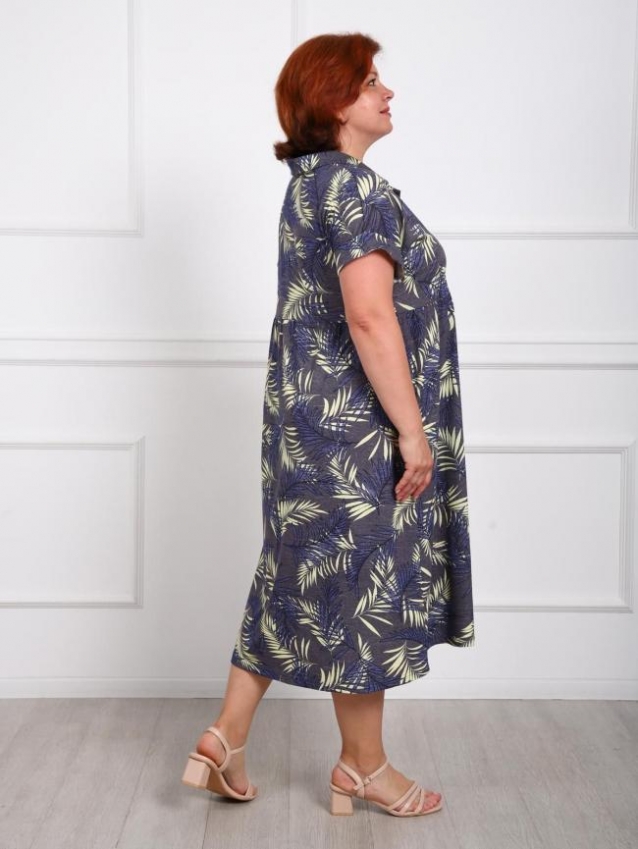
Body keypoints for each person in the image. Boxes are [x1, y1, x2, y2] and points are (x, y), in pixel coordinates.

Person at [182, 32, 475, 818]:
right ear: (333, 99)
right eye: (371, 80)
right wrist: (411, 431)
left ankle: (225, 735)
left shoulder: (308, 186)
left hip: (302, 426)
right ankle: (365, 767)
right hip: (359, 433)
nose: (388, 91)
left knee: (292, 575)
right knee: (364, 589)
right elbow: (369, 315)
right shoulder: (357, 189)